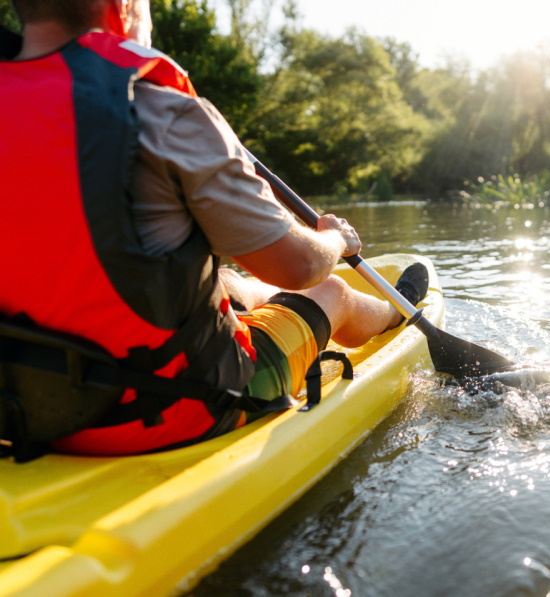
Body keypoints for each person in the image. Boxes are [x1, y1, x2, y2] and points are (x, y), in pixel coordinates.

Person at [0, 0, 428, 456]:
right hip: (171, 407)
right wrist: (335, 239)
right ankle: (396, 317)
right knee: (331, 293)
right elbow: (299, 266)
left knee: (226, 281)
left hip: (20, 405)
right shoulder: (164, 110)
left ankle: (279, 304)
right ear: (120, 9)